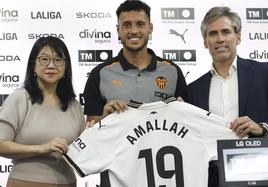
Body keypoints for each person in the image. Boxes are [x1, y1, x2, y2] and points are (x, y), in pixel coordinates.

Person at [187, 6, 268, 187]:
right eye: (213, 34)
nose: (220, 39)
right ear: (205, 42)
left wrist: (263, 128)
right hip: (211, 177)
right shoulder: (193, 90)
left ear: (238, 37)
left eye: (226, 32)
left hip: (258, 172)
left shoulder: (264, 73)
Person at [83, 0, 187, 123]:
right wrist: (104, 119)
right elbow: (90, 131)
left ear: (150, 28)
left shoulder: (172, 71)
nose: (133, 31)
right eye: (127, 25)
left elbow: (186, 121)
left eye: (140, 24)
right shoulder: (99, 73)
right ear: (118, 30)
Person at [0, 36, 85, 187]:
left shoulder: (74, 106)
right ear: (33, 65)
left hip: (68, 182)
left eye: (58, 60)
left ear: (66, 67)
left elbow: (83, 152)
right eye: (44, 59)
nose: (51, 65)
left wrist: (102, 123)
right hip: (25, 182)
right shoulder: (19, 98)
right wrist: (42, 148)